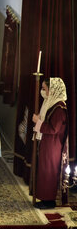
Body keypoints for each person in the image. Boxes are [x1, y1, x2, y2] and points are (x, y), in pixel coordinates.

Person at [32, 77, 68, 209]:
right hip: (47, 142)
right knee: (44, 170)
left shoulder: (59, 108)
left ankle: (49, 201)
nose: (43, 91)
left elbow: (53, 129)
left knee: (48, 171)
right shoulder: (51, 103)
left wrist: (38, 122)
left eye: (44, 89)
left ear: (52, 90)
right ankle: (44, 198)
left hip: (53, 144)